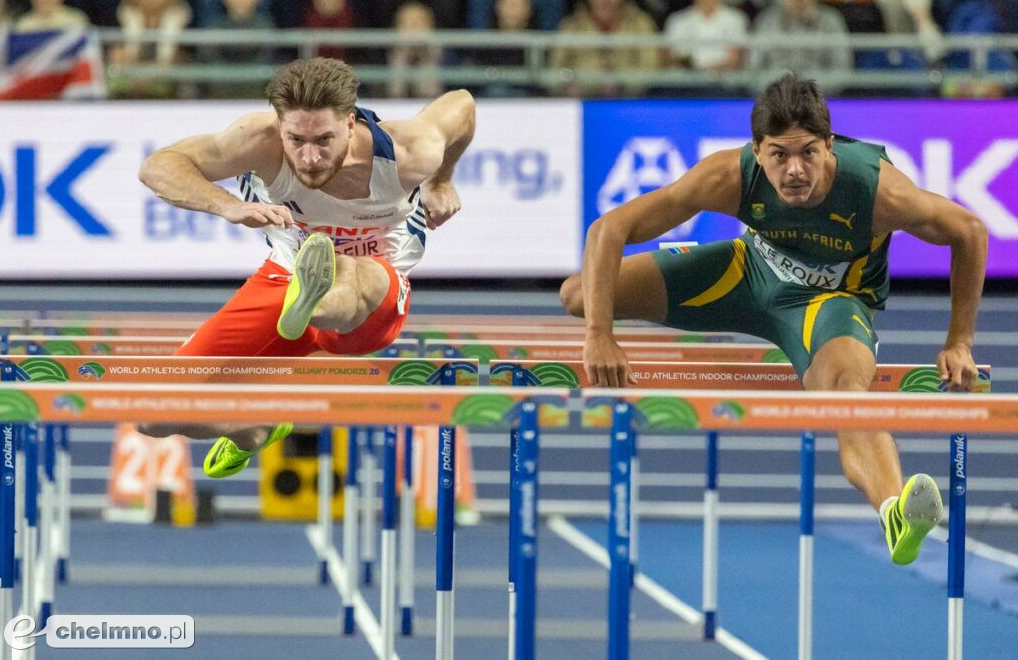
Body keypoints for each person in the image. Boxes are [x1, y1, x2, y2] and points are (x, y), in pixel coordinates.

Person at [559, 73, 987, 566]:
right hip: (746, 273)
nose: (795, 171)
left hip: (830, 304)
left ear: (829, 145)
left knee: (846, 394)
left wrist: (960, 339)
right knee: (579, 294)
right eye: (779, 155)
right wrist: (600, 335)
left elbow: (969, 231)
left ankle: (893, 513)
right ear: (757, 150)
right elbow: (609, 228)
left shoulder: (876, 190)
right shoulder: (731, 175)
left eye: (808, 152)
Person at [137, 57, 475, 477]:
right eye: (296, 139)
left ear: (350, 125)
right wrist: (228, 205)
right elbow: (158, 166)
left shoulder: (407, 151)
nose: (309, 157)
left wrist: (441, 180)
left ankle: (312, 303)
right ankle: (254, 428)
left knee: (355, 272)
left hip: (371, 297)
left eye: (323, 140)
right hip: (282, 280)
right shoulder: (257, 140)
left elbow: (462, 105)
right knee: (151, 412)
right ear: (279, 126)